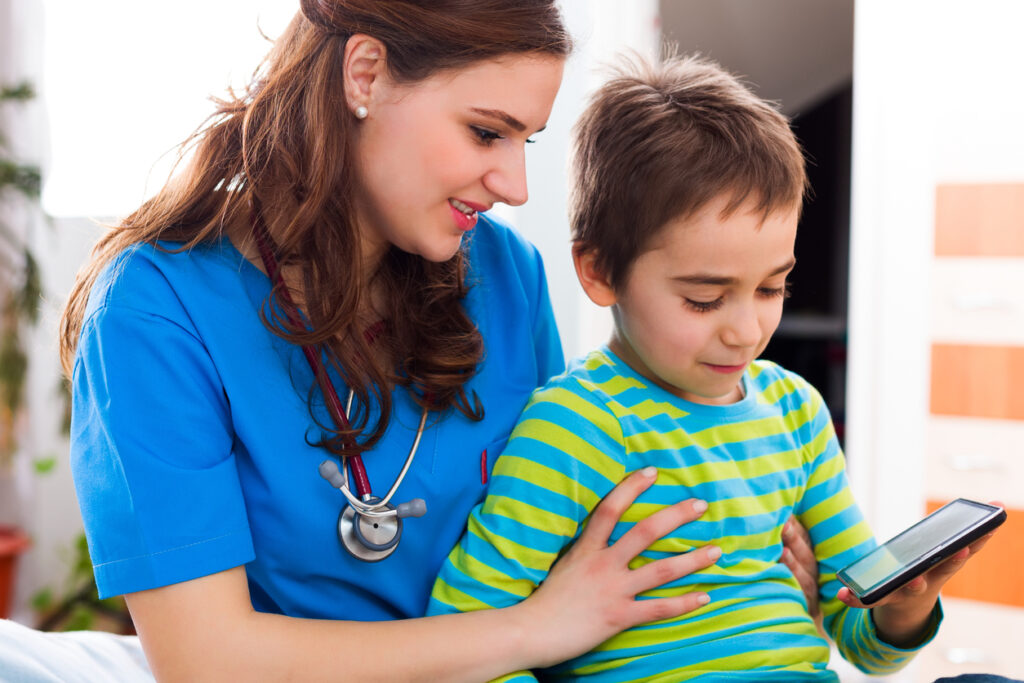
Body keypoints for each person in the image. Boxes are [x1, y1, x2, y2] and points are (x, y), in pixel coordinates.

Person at [54, 3, 826, 681]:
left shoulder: (505, 273)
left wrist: (754, 592)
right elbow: (207, 662)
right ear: (365, 74)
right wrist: (530, 629)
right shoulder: (155, 310)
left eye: (527, 138)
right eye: (486, 131)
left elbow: (572, 543)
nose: (516, 185)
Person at [427, 53, 998, 682]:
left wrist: (903, 610)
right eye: (704, 298)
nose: (746, 331)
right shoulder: (577, 426)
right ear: (598, 271)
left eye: (771, 288)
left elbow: (863, 641)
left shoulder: (796, 413)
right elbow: (468, 634)